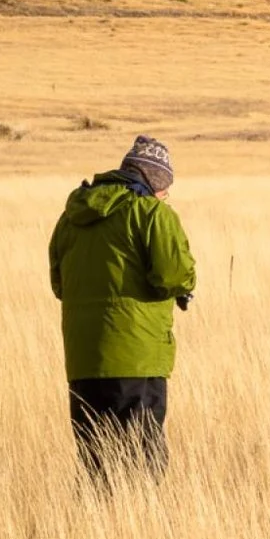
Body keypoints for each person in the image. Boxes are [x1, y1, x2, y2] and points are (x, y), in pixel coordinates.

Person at [49, 136, 196, 488]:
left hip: (84, 360)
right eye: (166, 190)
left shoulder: (71, 217)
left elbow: (59, 286)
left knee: (96, 461)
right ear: (155, 182)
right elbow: (174, 273)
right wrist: (183, 288)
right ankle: (139, 533)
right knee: (142, 460)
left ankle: (96, 534)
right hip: (137, 356)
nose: (165, 197)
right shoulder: (151, 214)